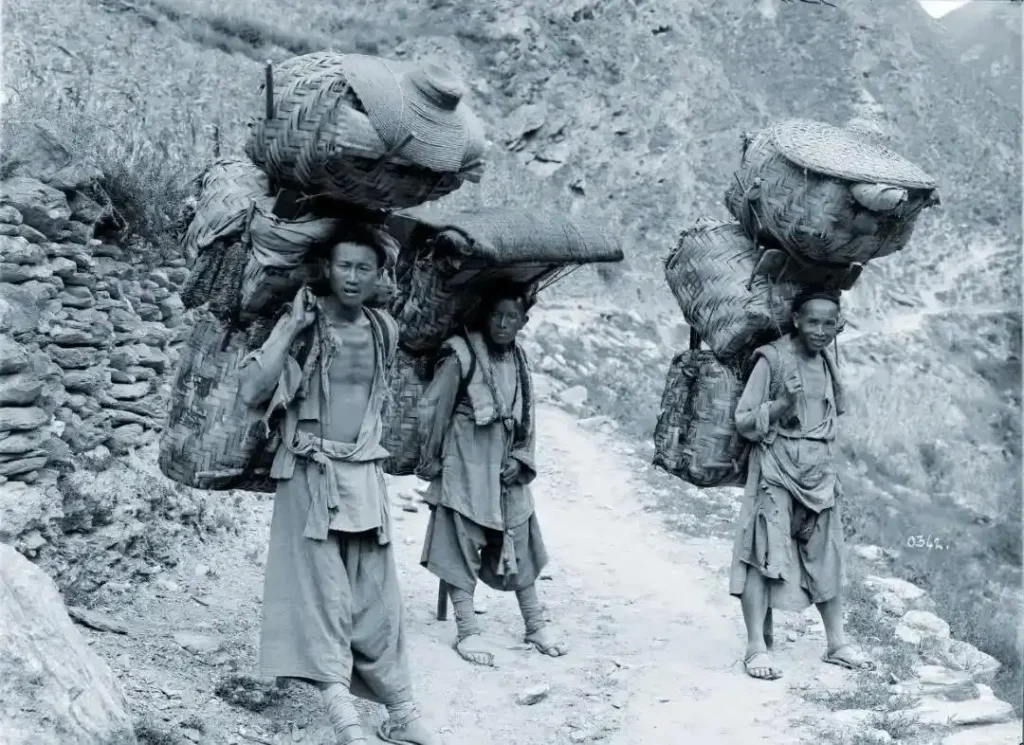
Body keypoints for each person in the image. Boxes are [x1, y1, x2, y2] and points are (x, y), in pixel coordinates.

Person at [238, 225, 440, 745]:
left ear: (379, 276)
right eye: (344, 266)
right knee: (323, 594)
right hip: (310, 474)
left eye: (364, 268)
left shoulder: (383, 328)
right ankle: (343, 716)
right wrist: (290, 326)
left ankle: (401, 710)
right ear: (327, 268)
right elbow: (251, 391)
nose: (353, 277)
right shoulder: (303, 322)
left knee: (378, 598)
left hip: (365, 475)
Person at [414, 286, 568, 667]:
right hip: (466, 466)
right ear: (485, 315)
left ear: (523, 322)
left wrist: (521, 457)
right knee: (458, 544)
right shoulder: (460, 354)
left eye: (511, 317)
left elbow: (527, 418)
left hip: (504, 469)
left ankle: (535, 624)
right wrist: (432, 460)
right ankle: (467, 631)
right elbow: (434, 410)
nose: (502, 323)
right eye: (496, 315)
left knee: (522, 539)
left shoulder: (519, 359)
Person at [729, 289, 874, 681]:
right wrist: (780, 406)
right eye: (813, 321)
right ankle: (756, 645)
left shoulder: (828, 361)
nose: (821, 331)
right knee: (763, 553)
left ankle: (837, 643)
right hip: (776, 465)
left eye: (830, 323)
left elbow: (831, 415)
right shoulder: (773, 359)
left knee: (827, 553)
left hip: (819, 472)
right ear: (796, 319)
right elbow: (743, 419)